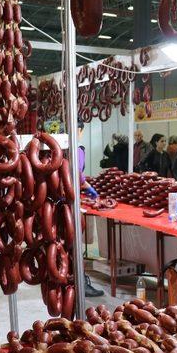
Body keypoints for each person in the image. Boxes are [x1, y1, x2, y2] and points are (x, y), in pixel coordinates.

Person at [77, 122, 104, 297]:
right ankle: (81, 283)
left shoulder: (57, 147)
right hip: (69, 205)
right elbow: (77, 174)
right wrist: (88, 187)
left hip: (56, 203)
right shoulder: (77, 150)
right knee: (76, 246)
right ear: (79, 130)